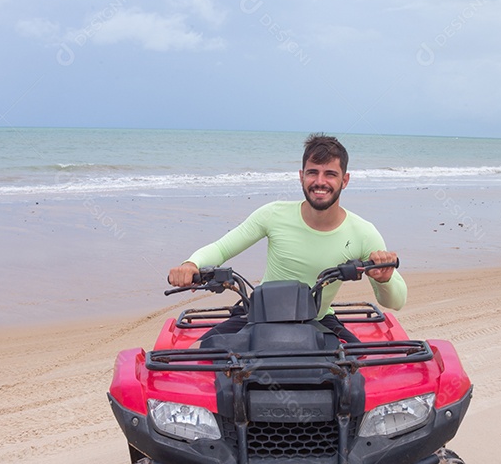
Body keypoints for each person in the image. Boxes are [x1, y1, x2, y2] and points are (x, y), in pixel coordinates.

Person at [167, 133, 406, 342]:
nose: (320, 182)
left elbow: (396, 302)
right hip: (259, 316)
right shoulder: (273, 214)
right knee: (202, 355)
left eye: (330, 174)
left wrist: (385, 279)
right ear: (301, 176)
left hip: (319, 320)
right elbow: (221, 249)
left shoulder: (363, 233)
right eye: (313, 172)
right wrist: (191, 264)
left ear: (345, 180)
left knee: (359, 371)